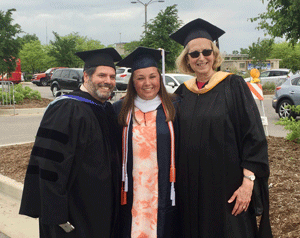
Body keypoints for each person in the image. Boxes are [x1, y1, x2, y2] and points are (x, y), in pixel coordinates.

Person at [169, 18, 272, 237]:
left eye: (206, 51)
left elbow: (253, 136)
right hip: (191, 190)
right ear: (186, 59)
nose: (201, 58)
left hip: (228, 189)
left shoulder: (233, 86)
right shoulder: (182, 92)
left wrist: (247, 184)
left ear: (215, 55)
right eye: (194, 54)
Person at [19, 48, 122, 237]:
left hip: (101, 208)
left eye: (112, 76)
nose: (108, 81)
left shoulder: (105, 109)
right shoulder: (67, 109)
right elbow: (49, 164)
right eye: (101, 75)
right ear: (86, 76)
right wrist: (56, 213)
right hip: (74, 212)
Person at [113, 47, 180, 238]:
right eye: (140, 78)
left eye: (152, 76)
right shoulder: (118, 111)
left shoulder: (175, 109)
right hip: (130, 195)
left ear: (160, 78)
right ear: (133, 82)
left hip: (165, 193)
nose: (147, 83)